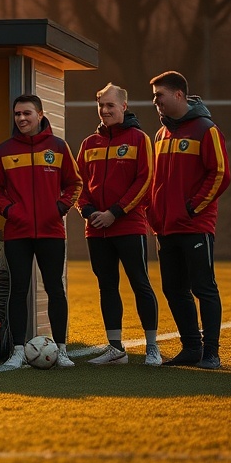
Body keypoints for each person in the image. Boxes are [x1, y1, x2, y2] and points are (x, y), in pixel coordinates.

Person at [147, 70, 231, 369]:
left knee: (204, 288)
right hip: (165, 228)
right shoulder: (160, 134)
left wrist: (192, 208)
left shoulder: (206, 129)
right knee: (173, 288)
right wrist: (153, 212)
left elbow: (220, 174)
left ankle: (211, 352)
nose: (155, 101)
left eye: (159, 95)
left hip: (195, 226)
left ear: (179, 95)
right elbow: (155, 179)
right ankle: (191, 348)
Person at [0, 94, 81, 368]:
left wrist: (59, 208)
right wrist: (9, 211)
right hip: (17, 233)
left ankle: (62, 350)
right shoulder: (4, 150)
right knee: (18, 290)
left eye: (27, 113)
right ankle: (17, 351)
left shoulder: (59, 147)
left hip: (52, 231)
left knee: (55, 288)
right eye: (17, 114)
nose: (21, 119)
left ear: (40, 115)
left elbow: (75, 184)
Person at [78, 84, 160, 366]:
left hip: (129, 225)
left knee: (140, 283)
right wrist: (88, 211)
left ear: (124, 107)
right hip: (96, 228)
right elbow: (79, 184)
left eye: (110, 105)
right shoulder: (89, 144)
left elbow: (145, 180)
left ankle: (152, 347)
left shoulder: (139, 139)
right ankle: (116, 349)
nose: (105, 111)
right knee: (107, 286)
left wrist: (115, 212)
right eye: (101, 106)